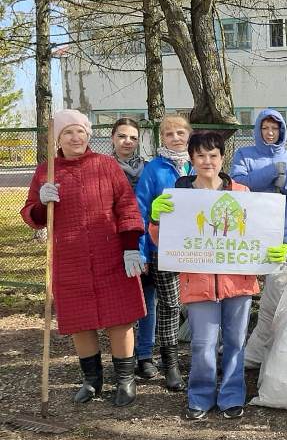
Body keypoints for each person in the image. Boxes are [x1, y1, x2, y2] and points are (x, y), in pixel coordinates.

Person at [148, 132, 287, 420]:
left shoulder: (242, 193)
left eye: (213, 155)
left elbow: (259, 232)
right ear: (191, 159)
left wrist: (276, 249)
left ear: (222, 158)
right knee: (203, 344)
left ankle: (232, 396)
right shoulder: (179, 197)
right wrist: (156, 220)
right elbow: (165, 241)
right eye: (200, 155)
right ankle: (200, 395)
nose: (207, 161)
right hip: (198, 283)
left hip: (238, 282)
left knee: (236, 342)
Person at [21, 109, 145, 406]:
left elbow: (127, 205)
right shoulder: (46, 171)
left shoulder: (106, 165)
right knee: (80, 320)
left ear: (88, 135)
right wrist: (42, 202)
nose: (75, 137)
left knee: (119, 318)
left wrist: (130, 246)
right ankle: (92, 380)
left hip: (110, 254)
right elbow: (32, 216)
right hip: (70, 258)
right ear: (58, 139)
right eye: (68, 132)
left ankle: (125, 380)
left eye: (80, 131)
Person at [135, 115, 193, 391]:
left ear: (189, 135)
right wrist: (142, 250)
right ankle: (170, 364)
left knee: (196, 302)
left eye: (180, 132)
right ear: (162, 138)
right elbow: (141, 209)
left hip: (197, 248)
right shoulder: (154, 169)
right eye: (169, 134)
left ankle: (200, 357)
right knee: (169, 305)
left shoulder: (198, 163)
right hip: (164, 247)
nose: (175, 138)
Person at [111, 117, 158, 380]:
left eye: (132, 137)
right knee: (120, 303)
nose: (127, 142)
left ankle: (145, 355)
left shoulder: (148, 169)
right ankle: (123, 358)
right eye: (122, 136)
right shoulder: (103, 167)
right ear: (112, 138)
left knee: (148, 300)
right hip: (113, 242)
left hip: (144, 242)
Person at [231, 109, 287, 247]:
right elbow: (237, 185)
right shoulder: (244, 155)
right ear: (258, 130)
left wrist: (286, 183)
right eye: (265, 128)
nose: (270, 132)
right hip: (253, 231)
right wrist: (270, 172)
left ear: (281, 130)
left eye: (274, 128)